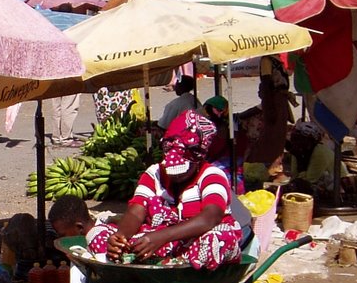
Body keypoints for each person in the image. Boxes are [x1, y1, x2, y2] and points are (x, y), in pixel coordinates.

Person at [87, 109, 244, 270]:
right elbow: (136, 212)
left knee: (216, 239)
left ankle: (180, 273)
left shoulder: (212, 175)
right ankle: (150, 266)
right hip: (161, 241)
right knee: (98, 233)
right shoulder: (154, 173)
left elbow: (210, 218)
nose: (175, 176)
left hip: (195, 239)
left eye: (182, 171)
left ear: (198, 159)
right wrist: (121, 237)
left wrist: (162, 237)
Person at [245, 55, 297, 181]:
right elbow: (267, 84)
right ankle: (265, 169)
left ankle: (274, 168)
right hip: (274, 102)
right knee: (271, 137)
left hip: (280, 101)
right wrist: (270, 108)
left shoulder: (277, 60)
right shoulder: (266, 60)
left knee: (279, 138)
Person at [285, 119, 347, 189]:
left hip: (337, 186)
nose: (298, 143)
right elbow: (294, 176)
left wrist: (301, 168)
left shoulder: (320, 152)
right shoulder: (297, 151)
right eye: (296, 139)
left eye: (302, 140)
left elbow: (310, 180)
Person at [203, 95, 247, 192]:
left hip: (229, 161)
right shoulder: (231, 121)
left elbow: (217, 149)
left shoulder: (225, 126)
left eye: (210, 110)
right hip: (234, 159)